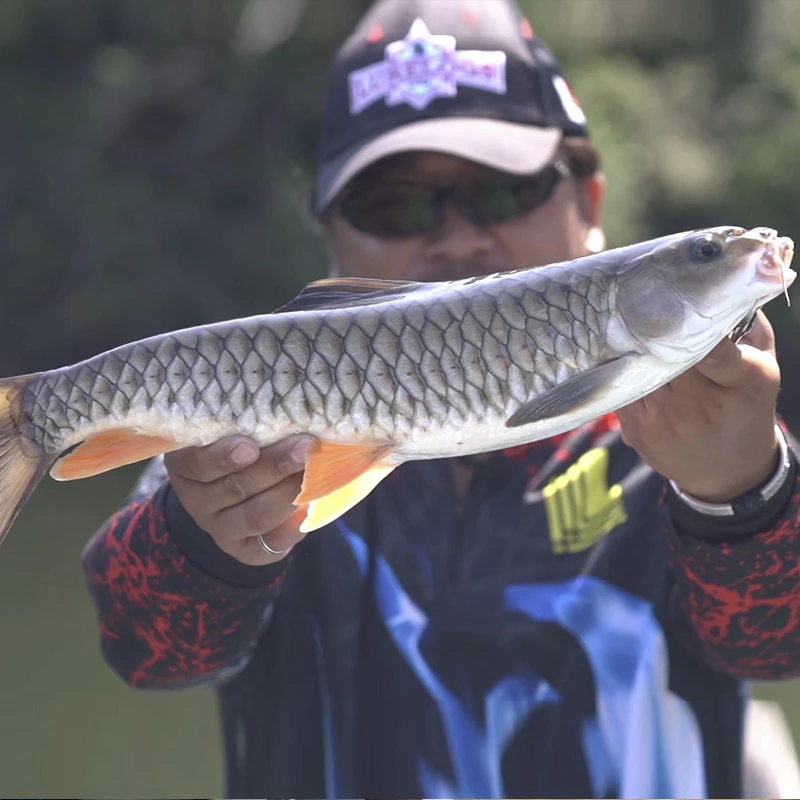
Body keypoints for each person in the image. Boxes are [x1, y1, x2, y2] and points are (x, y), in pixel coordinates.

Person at [81, 0, 800, 797]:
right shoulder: (251, 433)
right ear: (328, 232)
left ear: (589, 205)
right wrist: (209, 538)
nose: (456, 238)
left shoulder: (696, 434)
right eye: (396, 205)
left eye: (501, 192)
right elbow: (143, 650)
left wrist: (742, 495)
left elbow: (780, 649)